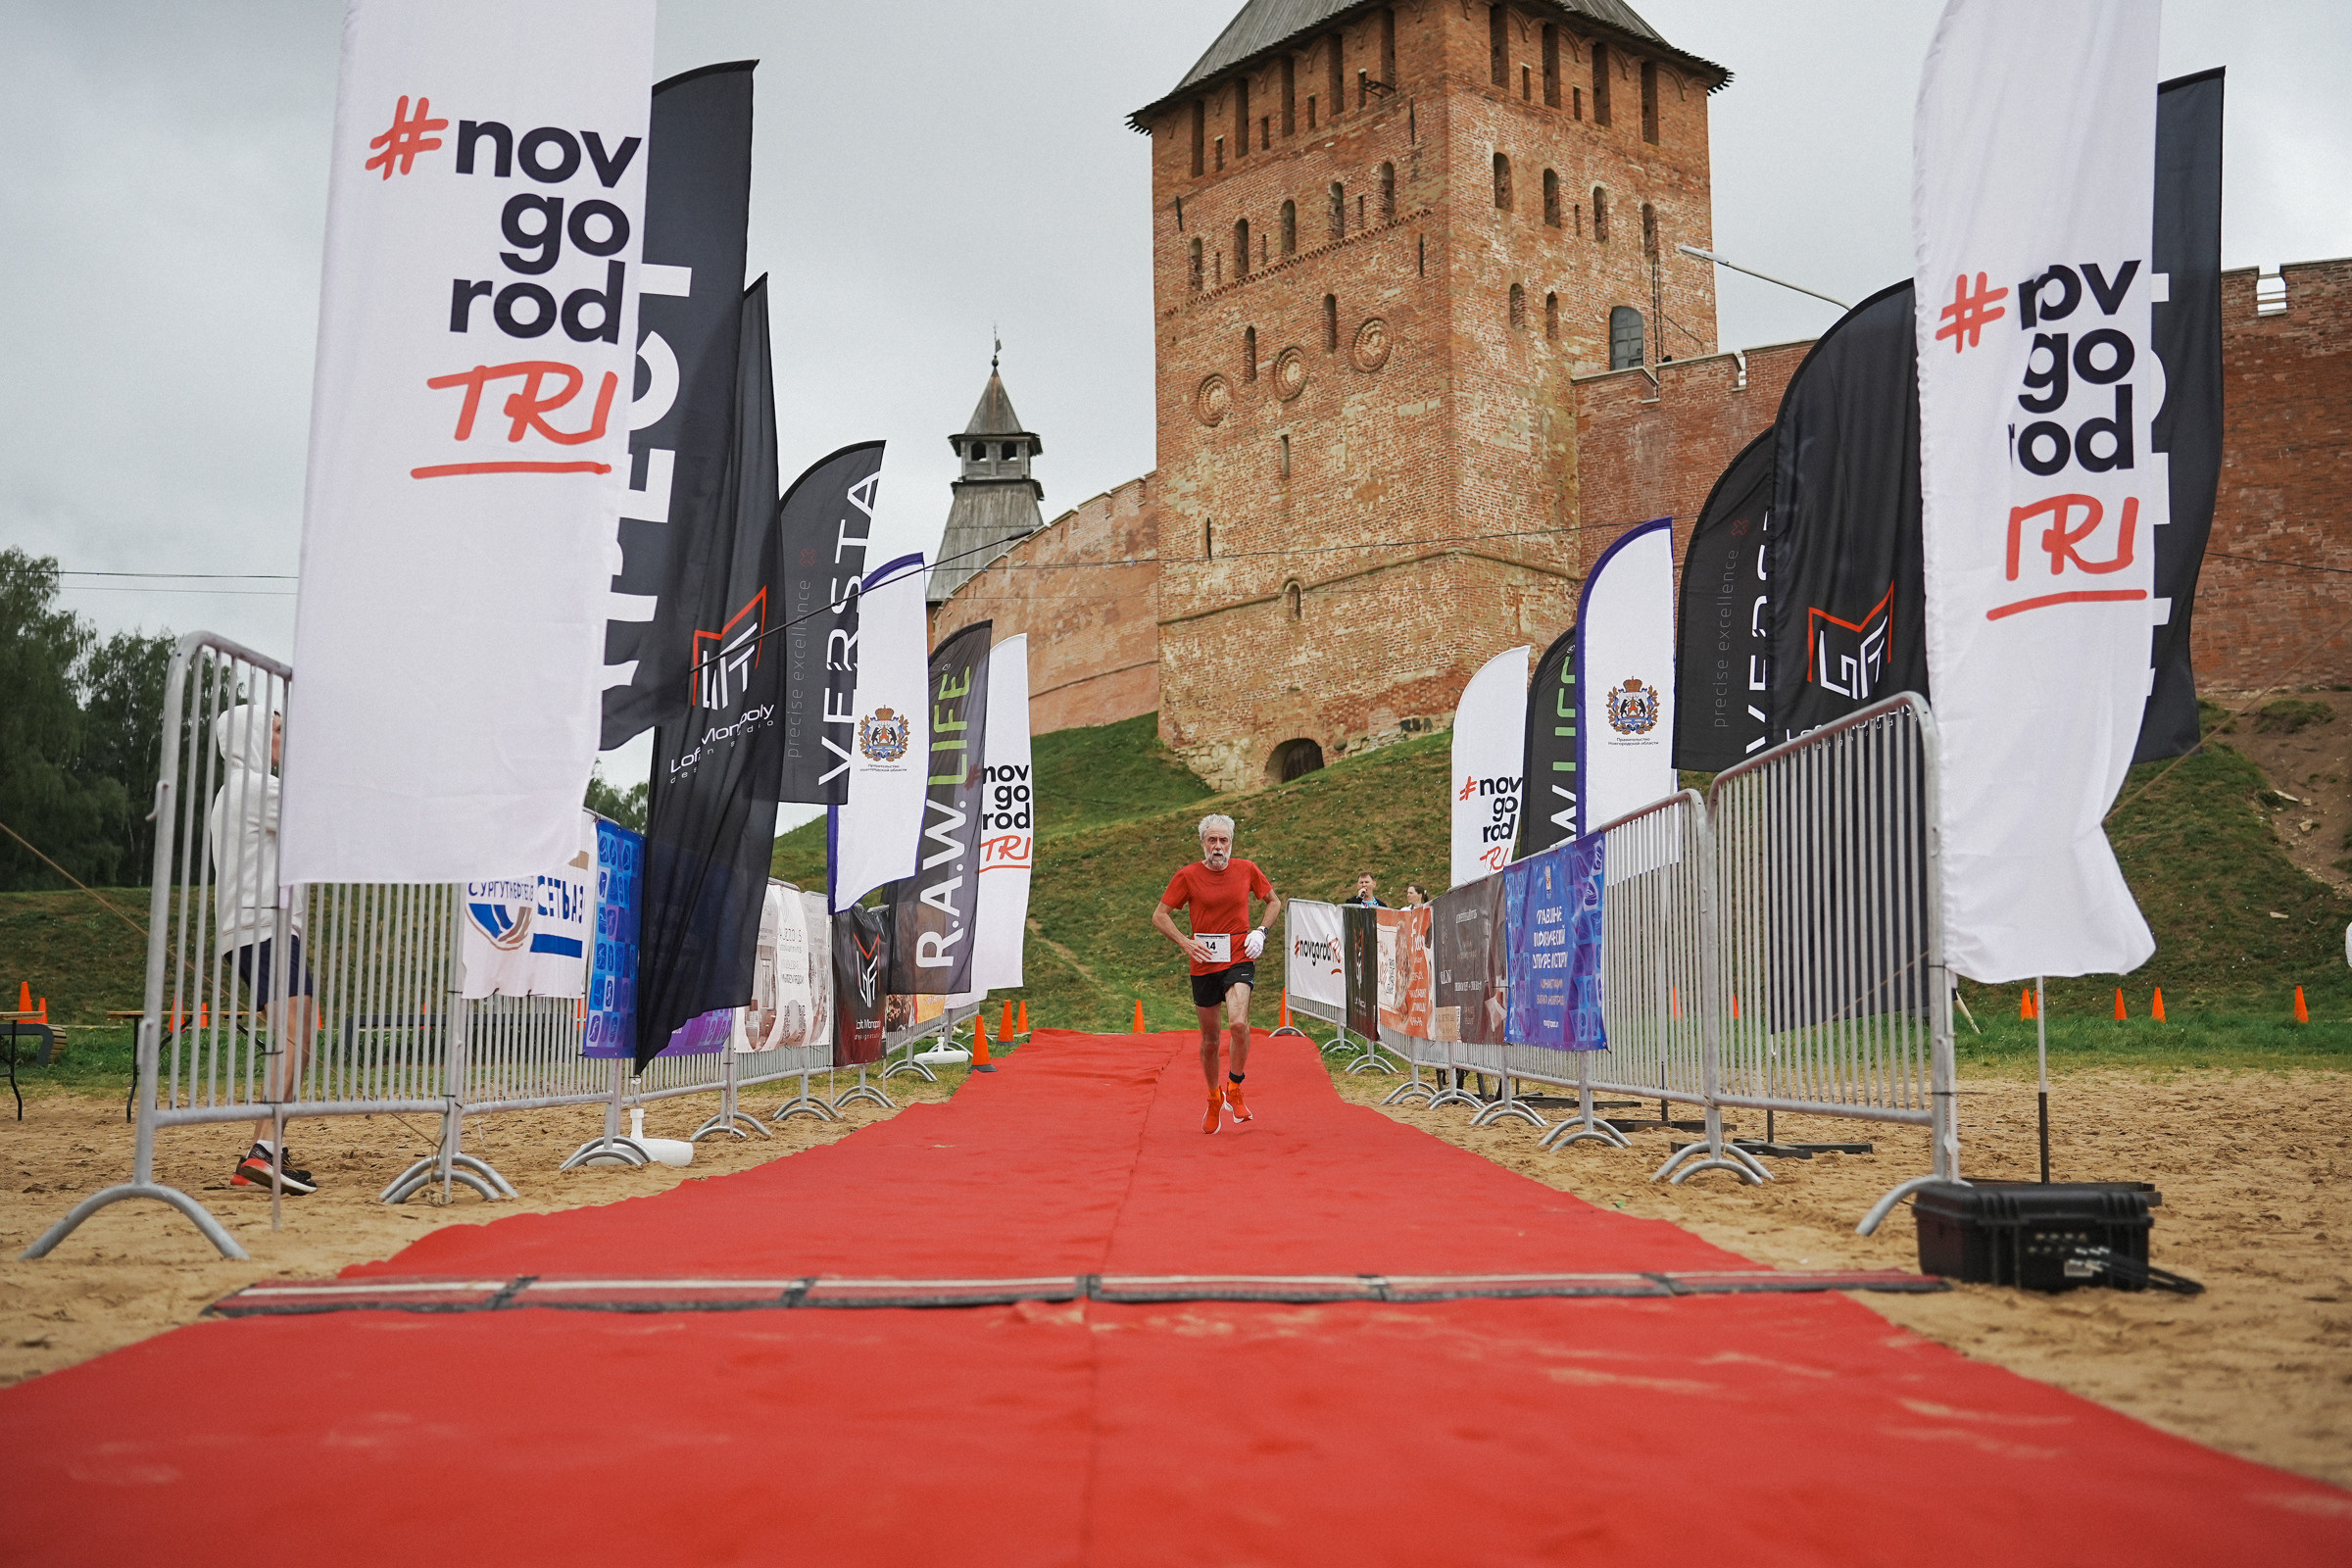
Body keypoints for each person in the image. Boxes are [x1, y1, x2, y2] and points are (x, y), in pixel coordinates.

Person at [207, 705, 319, 1195]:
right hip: (262, 926)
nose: (282, 737)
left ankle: (261, 1153)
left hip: (260, 926)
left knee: (294, 1030)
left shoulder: (240, 790)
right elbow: (319, 817)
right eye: (274, 730)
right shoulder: (254, 788)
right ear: (249, 736)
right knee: (295, 1032)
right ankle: (263, 1151)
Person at [1153, 813, 1284, 1135]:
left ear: (1231, 843)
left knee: (1238, 1025)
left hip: (1239, 957)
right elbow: (1160, 915)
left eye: (1223, 840)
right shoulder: (1187, 876)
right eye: (1212, 840)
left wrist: (1261, 933)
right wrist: (1186, 943)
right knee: (1211, 1040)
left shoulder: (1247, 869)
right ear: (1202, 843)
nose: (1218, 846)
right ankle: (1214, 1098)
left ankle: (1235, 1088)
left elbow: (1273, 902)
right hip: (1204, 963)